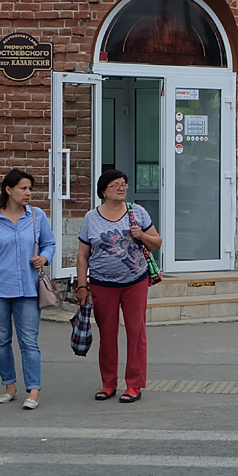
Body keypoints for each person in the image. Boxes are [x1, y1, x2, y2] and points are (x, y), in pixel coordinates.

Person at [75, 168, 162, 404]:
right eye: (115, 184)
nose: (121, 187)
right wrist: (82, 285)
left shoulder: (138, 213)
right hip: (102, 284)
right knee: (108, 334)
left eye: (123, 183)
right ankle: (108, 383)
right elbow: (83, 255)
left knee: (136, 332)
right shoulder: (91, 218)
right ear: (103, 191)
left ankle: (134, 385)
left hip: (135, 281)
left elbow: (157, 242)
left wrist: (141, 236)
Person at [0, 168, 56, 409]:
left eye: (30, 188)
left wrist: (45, 257)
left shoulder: (37, 216)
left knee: (29, 341)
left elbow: (49, 243)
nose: (28, 193)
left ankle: (34, 390)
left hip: (28, 290)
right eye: (23, 188)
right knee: (1, 341)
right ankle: (9, 386)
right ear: (9, 190)